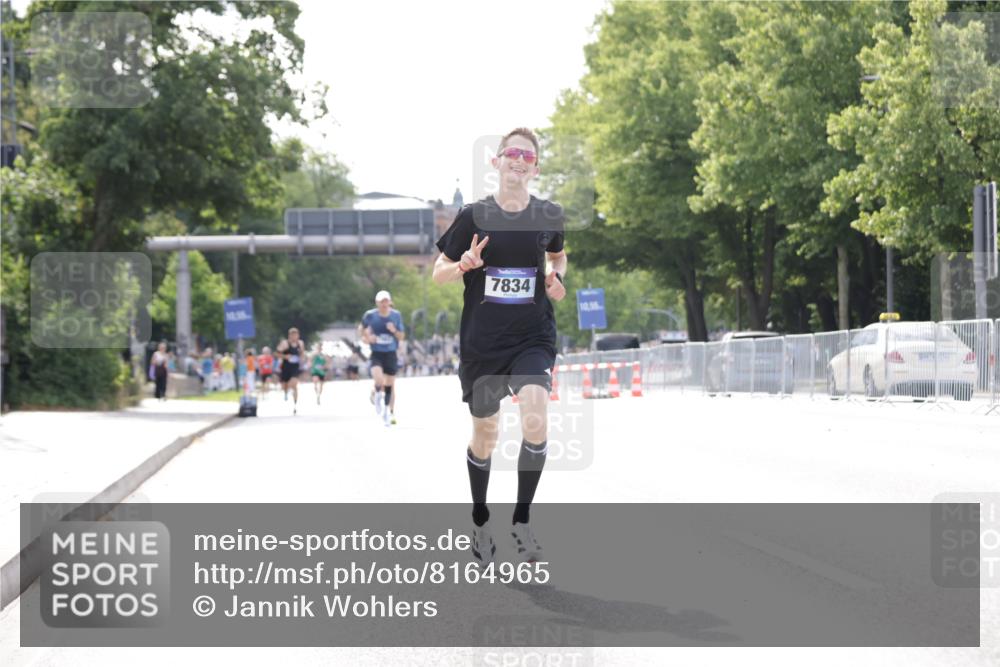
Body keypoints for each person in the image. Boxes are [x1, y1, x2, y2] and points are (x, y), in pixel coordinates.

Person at [432, 127, 567, 567]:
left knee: (535, 414)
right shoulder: (474, 215)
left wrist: (556, 278)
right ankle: (480, 518)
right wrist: (463, 265)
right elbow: (438, 271)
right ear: (496, 161)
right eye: (511, 152)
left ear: (535, 167)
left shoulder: (548, 214)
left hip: (532, 336)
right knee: (485, 436)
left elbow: (558, 256)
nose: (518, 160)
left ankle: (523, 522)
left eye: (527, 155)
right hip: (483, 345)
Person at [359, 290, 405, 426]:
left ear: (390, 302)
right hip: (377, 353)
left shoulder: (396, 316)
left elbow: (401, 336)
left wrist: (394, 331)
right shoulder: (370, 315)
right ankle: (378, 396)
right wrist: (367, 338)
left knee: (390, 384)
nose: (384, 304)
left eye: (386, 301)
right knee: (378, 379)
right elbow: (361, 329)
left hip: (391, 353)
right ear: (377, 303)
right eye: (381, 301)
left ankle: (388, 411)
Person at [276, 327, 305, 414]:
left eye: (296, 335)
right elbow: (277, 353)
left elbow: (302, 353)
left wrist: (302, 358)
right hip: (285, 367)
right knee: (285, 386)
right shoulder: (285, 343)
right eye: (293, 335)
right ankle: (285, 391)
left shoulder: (300, 343)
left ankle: (295, 404)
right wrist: (285, 356)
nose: (294, 337)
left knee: (294, 384)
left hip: (295, 367)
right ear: (289, 336)